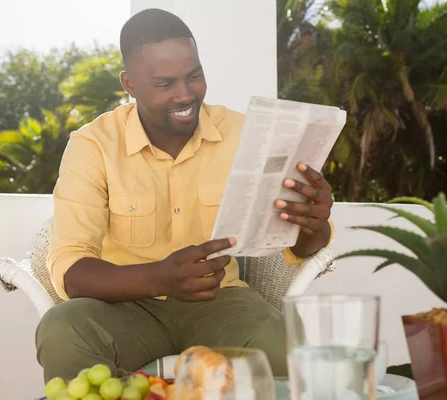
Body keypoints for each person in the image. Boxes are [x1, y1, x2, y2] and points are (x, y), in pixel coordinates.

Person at [36, 8, 334, 382]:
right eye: (164, 84)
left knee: (283, 342)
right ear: (129, 84)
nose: (185, 94)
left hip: (220, 302)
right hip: (122, 306)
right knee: (62, 330)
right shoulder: (92, 146)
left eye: (194, 76)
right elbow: (72, 270)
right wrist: (160, 278)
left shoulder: (244, 135)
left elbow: (301, 248)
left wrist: (314, 223)